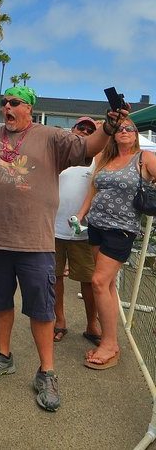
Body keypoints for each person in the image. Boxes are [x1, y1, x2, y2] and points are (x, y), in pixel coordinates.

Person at [0, 70, 125, 412]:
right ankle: (3, 355)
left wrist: (107, 127)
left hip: (34, 240)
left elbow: (88, 148)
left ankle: (46, 371)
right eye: (4, 102)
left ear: (29, 108)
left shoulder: (50, 137)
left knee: (41, 308)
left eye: (14, 102)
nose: (7, 106)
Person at [81, 119, 156, 369]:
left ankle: (110, 343)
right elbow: (93, 190)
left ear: (136, 134)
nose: (124, 131)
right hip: (96, 225)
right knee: (108, 284)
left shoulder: (144, 158)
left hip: (121, 229)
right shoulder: (104, 158)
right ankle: (109, 337)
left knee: (99, 282)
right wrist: (81, 215)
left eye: (129, 128)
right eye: (119, 129)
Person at [52, 117, 100, 345]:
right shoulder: (58, 155)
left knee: (88, 281)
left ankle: (92, 324)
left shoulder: (96, 159)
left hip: (84, 231)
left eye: (90, 130)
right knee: (54, 278)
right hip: (52, 228)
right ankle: (59, 320)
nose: (85, 131)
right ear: (72, 130)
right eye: (81, 127)